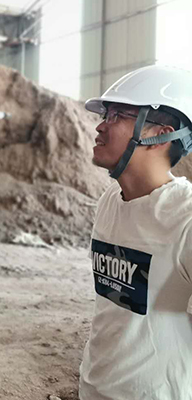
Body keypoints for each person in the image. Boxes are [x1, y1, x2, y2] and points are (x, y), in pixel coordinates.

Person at [79, 65, 192, 399]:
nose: (100, 125)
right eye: (106, 115)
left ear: (161, 135)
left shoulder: (185, 218)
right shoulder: (110, 201)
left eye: (117, 115)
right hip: (94, 386)